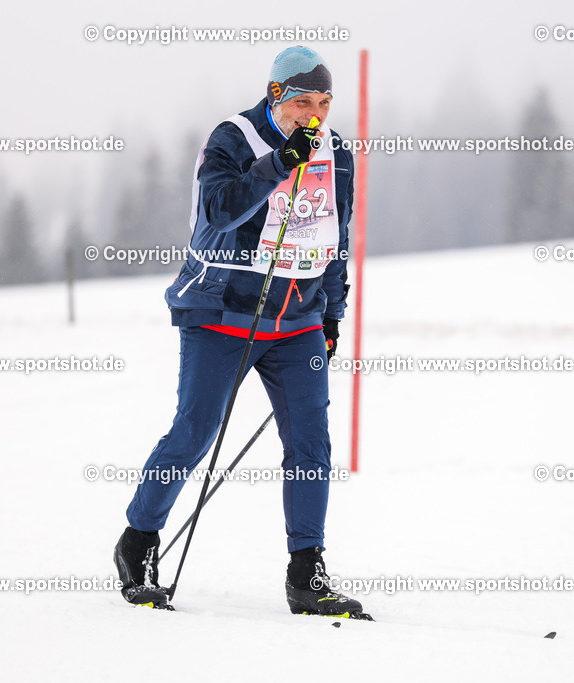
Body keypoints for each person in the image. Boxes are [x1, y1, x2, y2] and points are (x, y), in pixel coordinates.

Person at [114, 46, 368, 619]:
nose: (316, 115)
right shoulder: (233, 138)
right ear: (276, 94)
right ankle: (137, 542)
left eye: (325, 103)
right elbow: (217, 211)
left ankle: (308, 573)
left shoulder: (336, 153)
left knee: (311, 446)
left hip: (296, 321)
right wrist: (279, 163)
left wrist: (331, 315)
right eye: (304, 101)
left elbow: (336, 237)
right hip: (221, 314)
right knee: (195, 433)